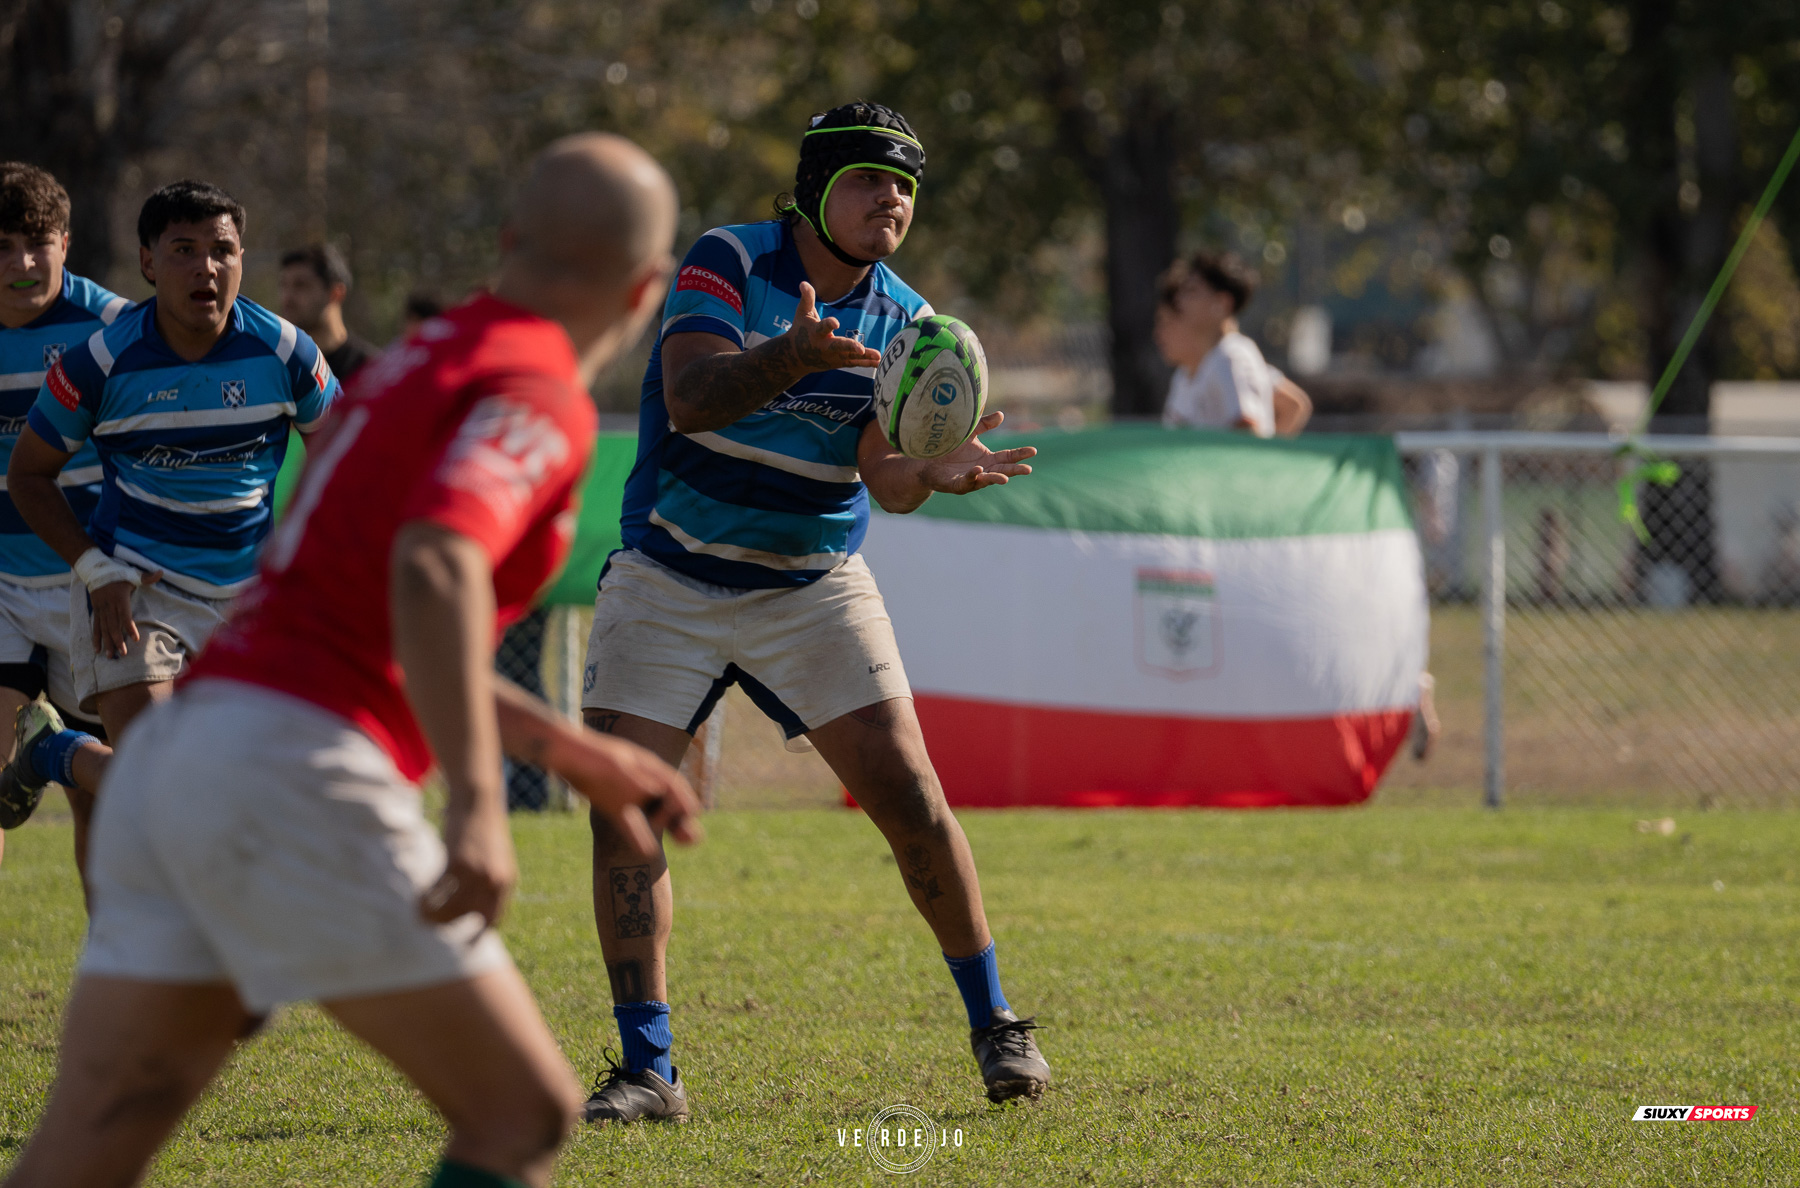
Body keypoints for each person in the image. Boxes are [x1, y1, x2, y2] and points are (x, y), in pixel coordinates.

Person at [0, 133, 701, 1188]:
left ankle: (58, 759)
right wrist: (476, 801)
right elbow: (431, 567)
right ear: (647, 289)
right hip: (299, 766)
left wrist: (566, 749)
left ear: (508, 244)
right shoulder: (533, 389)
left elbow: (382, 612)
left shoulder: (419, 360)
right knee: (521, 1114)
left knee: (88, 1148)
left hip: (196, 746)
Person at [577, 101, 1050, 1124]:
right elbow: (693, 396)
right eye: (871, 179)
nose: (892, 201)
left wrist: (933, 470)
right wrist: (792, 355)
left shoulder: (914, 326)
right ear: (814, 189)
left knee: (911, 798)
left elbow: (886, 479)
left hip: (809, 584)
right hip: (669, 574)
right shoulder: (725, 263)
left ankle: (997, 1025)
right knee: (625, 809)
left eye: (907, 188)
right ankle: (649, 1070)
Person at [0, 180, 340, 893]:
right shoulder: (101, 361)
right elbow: (30, 475)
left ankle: (55, 753)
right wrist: (97, 570)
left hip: (246, 599)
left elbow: (348, 461)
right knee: (161, 785)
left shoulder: (284, 351)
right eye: (184, 252)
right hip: (133, 591)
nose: (205, 269)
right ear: (149, 262)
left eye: (222, 252)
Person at [0, 163, 127, 864]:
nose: (21, 262)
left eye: (36, 241)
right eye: (1, 245)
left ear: (66, 243)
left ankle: (112, 963)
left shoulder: (112, 331)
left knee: (101, 804)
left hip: (93, 586)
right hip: (3, 586)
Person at [1155, 251, 1313, 437]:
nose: (1180, 300)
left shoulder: (1231, 355)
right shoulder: (1196, 367)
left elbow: (1246, 433)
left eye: (1193, 291)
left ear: (1222, 303)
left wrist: (1271, 461)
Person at [278, 242, 378, 383]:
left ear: (336, 293)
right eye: (283, 285)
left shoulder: (369, 370)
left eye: (301, 285)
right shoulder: (279, 366)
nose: (287, 297)